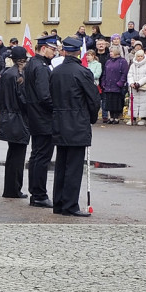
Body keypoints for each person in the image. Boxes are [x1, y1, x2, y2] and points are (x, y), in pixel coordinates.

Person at [50, 37, 99, 217]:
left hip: (59, 121)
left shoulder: (55, 72)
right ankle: (70, 205)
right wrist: (91, 118)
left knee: (61, 164)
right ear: (78, 52)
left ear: (64, 51)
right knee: (74, 167)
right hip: (77, 122)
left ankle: (59, 203)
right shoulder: (83, 72)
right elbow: (93, 99)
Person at [23, 35, 56, 207]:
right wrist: (56, 108)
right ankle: (39, 194)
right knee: (42, 157)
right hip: (43, 117)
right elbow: (44, 96)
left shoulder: (32, 64)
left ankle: (36, 193)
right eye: (52, 49)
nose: (54, 53)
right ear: (44, 48)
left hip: (35, 115)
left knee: (36, 155)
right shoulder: (41, 67)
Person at [0, 46, 30, 199]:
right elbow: (23, 99)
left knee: (12, 155)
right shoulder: (19, 75)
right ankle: (14, 189)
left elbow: (0, 97)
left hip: (8, 116)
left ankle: (11, 188)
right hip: (18, 118)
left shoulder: (7, 73)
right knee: (17, 156)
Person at [102, 45, 128, 124]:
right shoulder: (108, 61)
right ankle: (111, 117)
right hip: (108, 85)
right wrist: (103, 82)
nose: (110, 53)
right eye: (110, 52)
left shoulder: (122, 61)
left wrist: (120, 82)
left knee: (116, 102)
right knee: (109, 102)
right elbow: (105, 73)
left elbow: (124, 73)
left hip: (117, 85)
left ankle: (116, 117)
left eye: (112, 52)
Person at [127, 47, 146, 125]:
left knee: (144, 103)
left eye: (141, 56)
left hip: (144, 87)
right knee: (133, 102)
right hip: (134, 87)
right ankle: (133, 118)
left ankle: (143, 118)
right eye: (138, 56)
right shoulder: (132, 65)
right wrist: (131, 83)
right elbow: (130, 75)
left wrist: (139, 83)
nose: (140, 58)